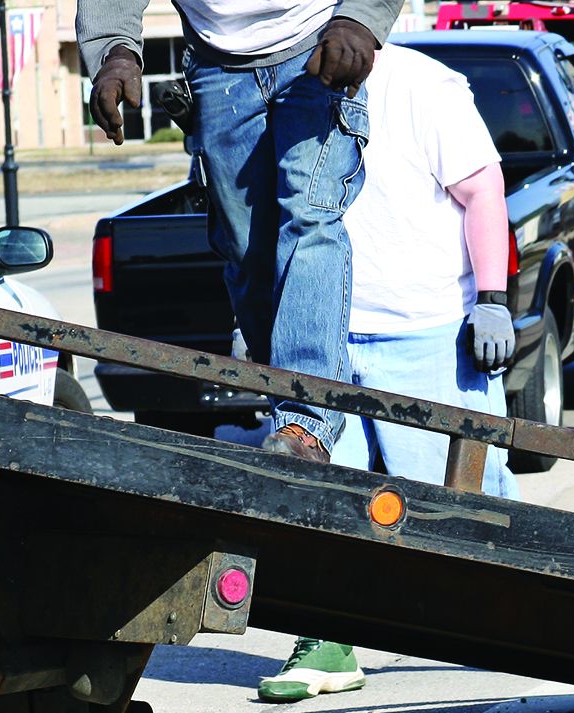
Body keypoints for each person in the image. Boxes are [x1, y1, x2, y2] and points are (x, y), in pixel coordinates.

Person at [257, 41, 519, 704]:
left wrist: (492, 301)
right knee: (319, 496)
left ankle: (526, 612)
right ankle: (324, 641)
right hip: (327, 340)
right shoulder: (287, 85)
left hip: (427, 333)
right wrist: (258, 313)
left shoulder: (426, 85)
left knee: (462, 507)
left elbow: (482, 189)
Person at [80, 0, 404, 464]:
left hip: (317, 47)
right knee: (248, 249)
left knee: (310, 217)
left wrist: (361, 18)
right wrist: (115, 51)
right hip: (218, 63)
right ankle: (284, 397)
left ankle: (307, 420)